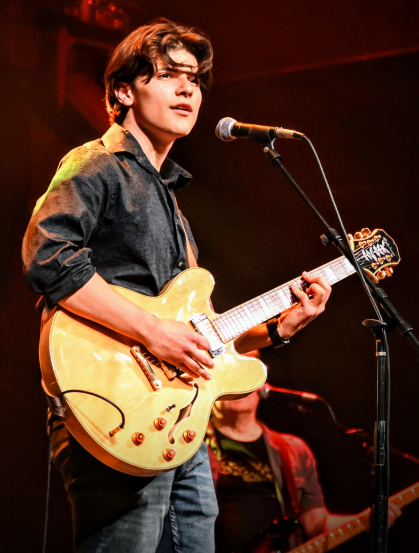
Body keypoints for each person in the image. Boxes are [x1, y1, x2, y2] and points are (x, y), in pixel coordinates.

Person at [22, 18, 332, 553]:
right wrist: (153, 332)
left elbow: (201, 337)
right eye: (168, 75)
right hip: (111, 407)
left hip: (177, 424)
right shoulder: (97, 164)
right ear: (124, 90)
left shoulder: (175, 208)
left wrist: (279, 329)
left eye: (193, 78)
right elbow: (48, 257)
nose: (188, 88)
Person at [207, 354, 402, 553]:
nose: (240, 384)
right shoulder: (190, 447)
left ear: (261, 385)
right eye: (231, 376)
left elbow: (315, 523)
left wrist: (364, 521)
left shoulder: (293, 449)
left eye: (246, 374)